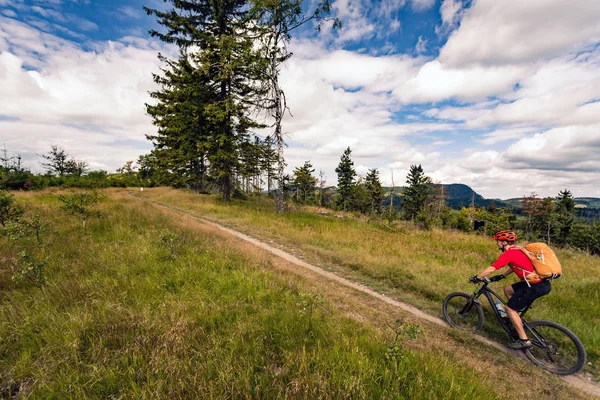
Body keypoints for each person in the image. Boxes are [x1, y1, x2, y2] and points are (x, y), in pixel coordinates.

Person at [470, 230, 552, 350]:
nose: (496, 244)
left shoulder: (508, 253)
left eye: (497, 241)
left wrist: (477, 277)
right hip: (540, 283)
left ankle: (524, 340)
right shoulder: (518, 250)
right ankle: (516, 320)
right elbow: (516, 265)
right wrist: (503, 276)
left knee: (510, 309)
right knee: (508, 290)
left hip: (535, 286)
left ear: (504, 242)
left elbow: (492, 268)